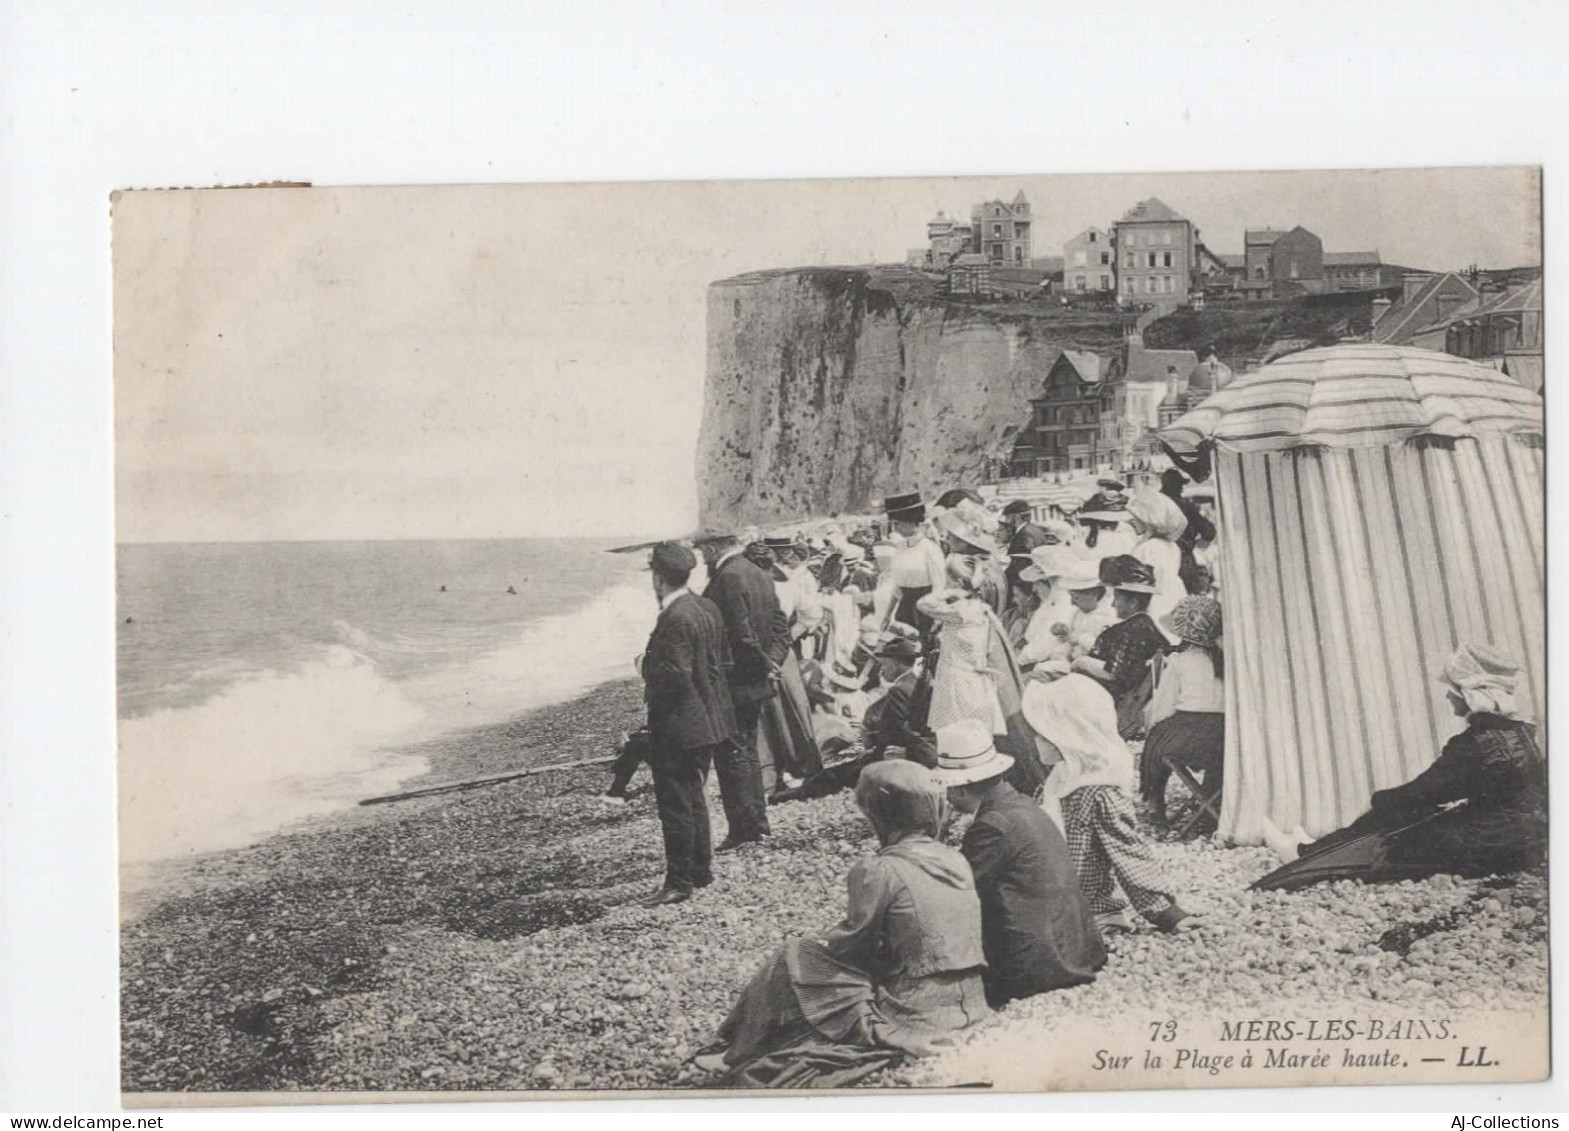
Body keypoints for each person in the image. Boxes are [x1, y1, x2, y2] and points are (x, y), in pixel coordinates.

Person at [698, 760, 990, 1087]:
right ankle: (738, 1043)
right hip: (972, 1000)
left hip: (916, 1010)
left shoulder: (878, 869)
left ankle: (736, 1050)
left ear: (877, 815)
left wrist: (821, 944)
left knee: (793, 955)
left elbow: (851, 949)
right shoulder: (956, 859)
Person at [1254, 643, 1546, 891]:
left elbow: (1420, 793)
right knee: (1412, 808)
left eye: (1452, 690)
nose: (1448, 696)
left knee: (1399, 815)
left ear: (1470, 694)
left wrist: (1379, 800)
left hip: (1486, 845)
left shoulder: (1473, 744)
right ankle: (1318, 846)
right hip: (1526, 843)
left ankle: (1305, 853)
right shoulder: (1523, 734)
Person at [935, 721, 1107, 1007]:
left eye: (947, 789)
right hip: (1076, 950)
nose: (947, 799)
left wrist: (934, 835)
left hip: (1034, 967)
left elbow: (959, 892)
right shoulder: (1024, 804)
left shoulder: (992, 825)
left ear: (961, 788)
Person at [1022, 664, 1202, 935]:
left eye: (1042, 735)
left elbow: (1128, 853)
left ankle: (1108, 917)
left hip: (1089, 906)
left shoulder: (1099, 793)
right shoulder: (1060, 780)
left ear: (1069, 738)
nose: (1035, 741)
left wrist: (1166, 913)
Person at [638, 542, 739, 906]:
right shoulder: (704, 606)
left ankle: (679, 881)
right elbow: (722, 663)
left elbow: (676, 675)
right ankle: (700, 869)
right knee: (694, 797)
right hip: (710, 720)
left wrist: (644, 667)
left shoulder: (677, 616)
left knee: (676, 803)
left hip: (681, 725)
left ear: (658, 578)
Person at [770, 635, 936, 804]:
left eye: (884, 664)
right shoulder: (914, 683)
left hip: (894, 755)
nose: (882, 670)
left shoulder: (899, 689)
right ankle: (796, 792)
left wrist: (872, 740)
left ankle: (788, 797)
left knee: (833, 775)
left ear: (895, 663)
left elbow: (897, 729)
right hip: (907, 752)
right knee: (837, 773)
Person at [699, 531, 787, 847]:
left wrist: (765, 664)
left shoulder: (728, 577)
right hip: (757, 680)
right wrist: (773, 662)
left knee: (732, 754)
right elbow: (780, 625)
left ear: (711, 549)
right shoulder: (758, 572)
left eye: (702, 551)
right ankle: (757, 822)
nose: (701, 558)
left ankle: (743, 828)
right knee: (747, 750)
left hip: (735, 682)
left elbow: (741, 634)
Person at [1140, 596, 1226, 826]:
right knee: (1219, 756)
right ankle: (1210, 804)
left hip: (1188, 731)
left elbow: (1164, 706)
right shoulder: (1228, 662)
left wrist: (1153, 729)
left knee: (1157, 742)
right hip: (1224, 735)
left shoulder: (1180, 661)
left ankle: (1155, 801)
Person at [1073, 555, 1169, 741]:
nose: (1112, 604)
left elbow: (1114, 673)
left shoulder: (1128, 631)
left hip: (1114, 703)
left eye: (1117, 598)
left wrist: (1081, 662)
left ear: (1132, 603)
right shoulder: (1148, 628)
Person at [882, 491, 947, 643]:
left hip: (925, 611)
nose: (894, 529)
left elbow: (939, 587)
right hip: (904, 610)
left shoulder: (930, 549)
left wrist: (937, 619)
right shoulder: (899, 547)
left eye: (897, 524)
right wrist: (887, 615)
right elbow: (896, 588)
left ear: (909, 521)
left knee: (921, 651)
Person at [1126, 490, 1189, 643]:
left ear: (1149, 519)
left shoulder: (1146, 548)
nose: (1131, 520)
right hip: (1174, 596)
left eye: (1136, 517)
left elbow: (1139, 585)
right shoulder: (1172, 546)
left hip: (1153, 600)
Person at [936, 499, 1007, 615]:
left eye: (950, 536)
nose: (946, 539)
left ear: (964, 541)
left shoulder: (955, 562)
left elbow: (950, 605)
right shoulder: (991, 562)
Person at [1160, 469, 1216, 594]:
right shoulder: (1186, 507)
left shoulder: (1154, 505)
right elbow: (1209, 532)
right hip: (1183, 558)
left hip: (1157, 557)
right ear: (1177, 487)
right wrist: (1195, 544)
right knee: (1185, 598)